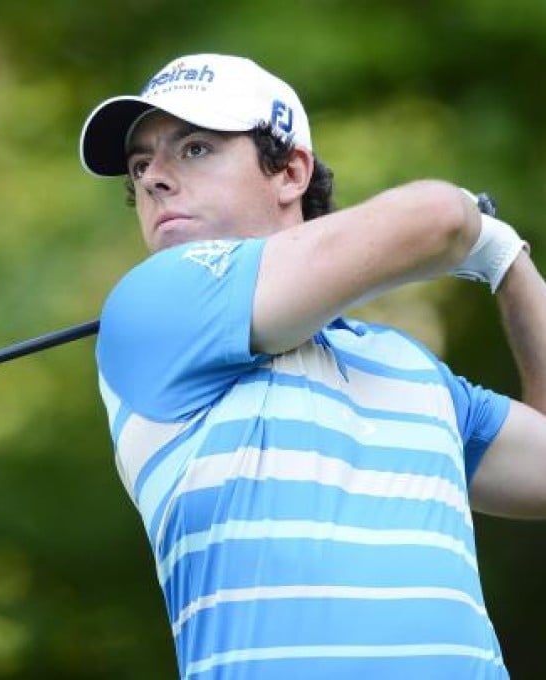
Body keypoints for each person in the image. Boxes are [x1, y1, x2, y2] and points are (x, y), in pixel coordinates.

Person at [79, 53, 546, 679]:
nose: (154, 179)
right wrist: (476, 229)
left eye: (193, 149)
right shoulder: (153, 309)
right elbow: (438, 215)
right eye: (140, 166)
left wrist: (510, 265)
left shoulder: (408, 366)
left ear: (290, 171)